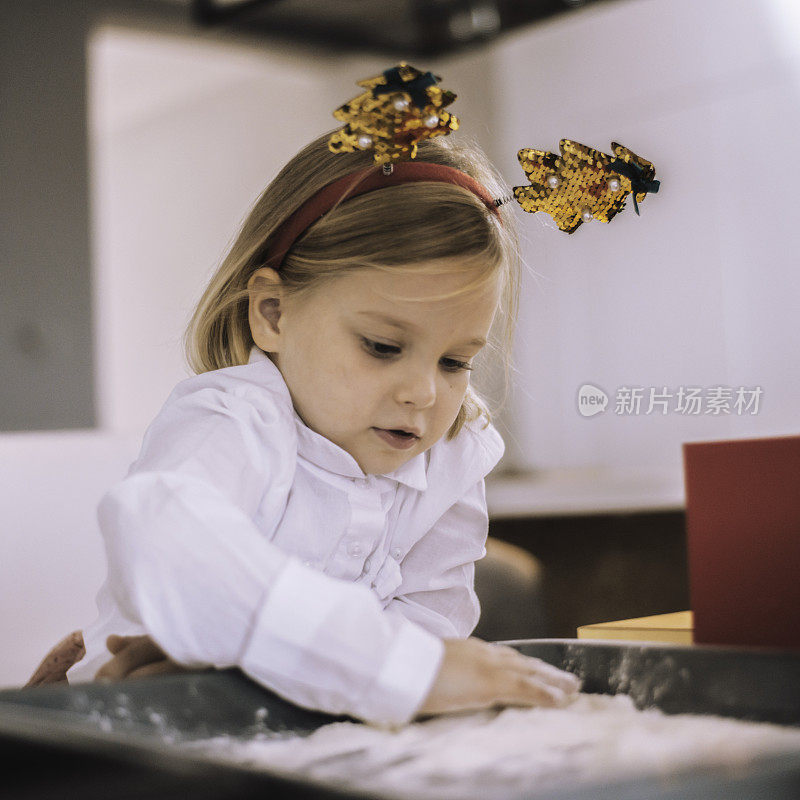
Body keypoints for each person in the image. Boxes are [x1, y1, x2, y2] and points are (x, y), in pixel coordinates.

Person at [55, 127, 580, 726]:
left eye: (455, 361)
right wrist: (393, 670)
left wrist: (268, 678)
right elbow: (159, 528)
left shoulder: (452, 457)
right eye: (383, 346)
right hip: (124, 732)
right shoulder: (234, 420)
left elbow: (428, 630)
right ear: (273, 313)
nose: (424, 393)